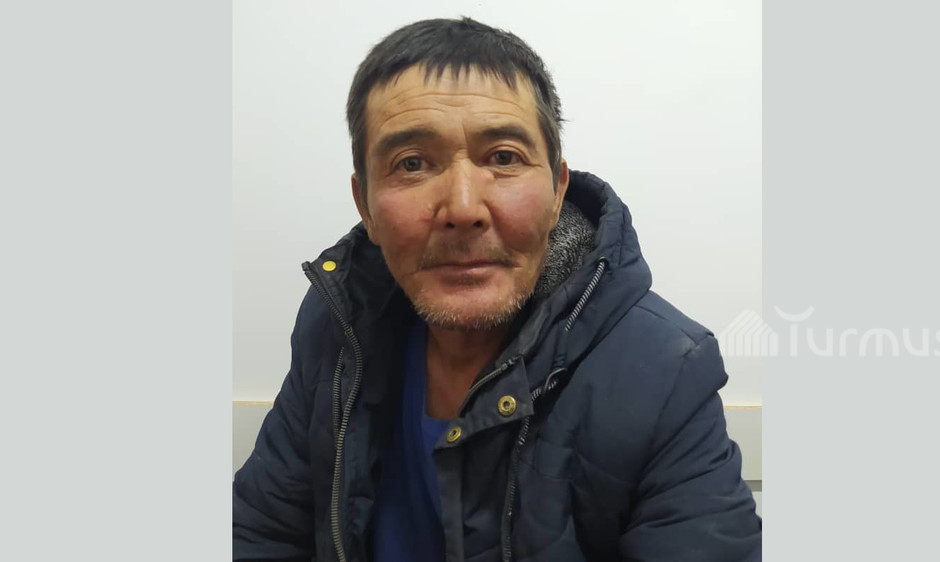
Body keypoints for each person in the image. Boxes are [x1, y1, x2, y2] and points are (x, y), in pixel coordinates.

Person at [233, 17, 762, 562]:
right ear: (364, 205)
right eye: (412, 163)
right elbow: (260, 533)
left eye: (504, 158)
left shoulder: (665, 369)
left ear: (557, 191)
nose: (463, 208)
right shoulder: (339, 326)